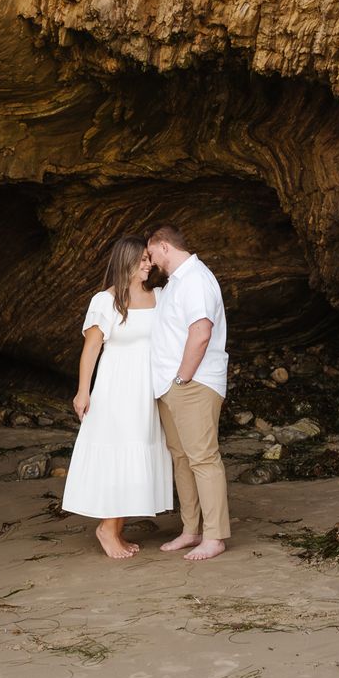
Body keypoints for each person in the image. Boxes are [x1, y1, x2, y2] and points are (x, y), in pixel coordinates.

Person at [60, 236, 174, 558]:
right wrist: (83, 391)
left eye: (148, 260)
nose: (148, 264)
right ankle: (107, 529)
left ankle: (116, 529)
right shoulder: (105, 301)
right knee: (120, 456)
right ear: (125, 261)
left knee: (136, 457)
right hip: (116, 390)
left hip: (145, 390)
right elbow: (90, 350)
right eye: (141, 260)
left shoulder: (158, 296)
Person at [145, 224, 230, 561]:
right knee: (182, 459)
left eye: (151, 255)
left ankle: (215, 536)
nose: (151, 263)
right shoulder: (177, 283)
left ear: (164, 246)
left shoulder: (196, 279)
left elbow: (201, 332)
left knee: (204, 458)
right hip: (173, 385)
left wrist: (181, 379)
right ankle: (191, 530)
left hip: (193, 384)